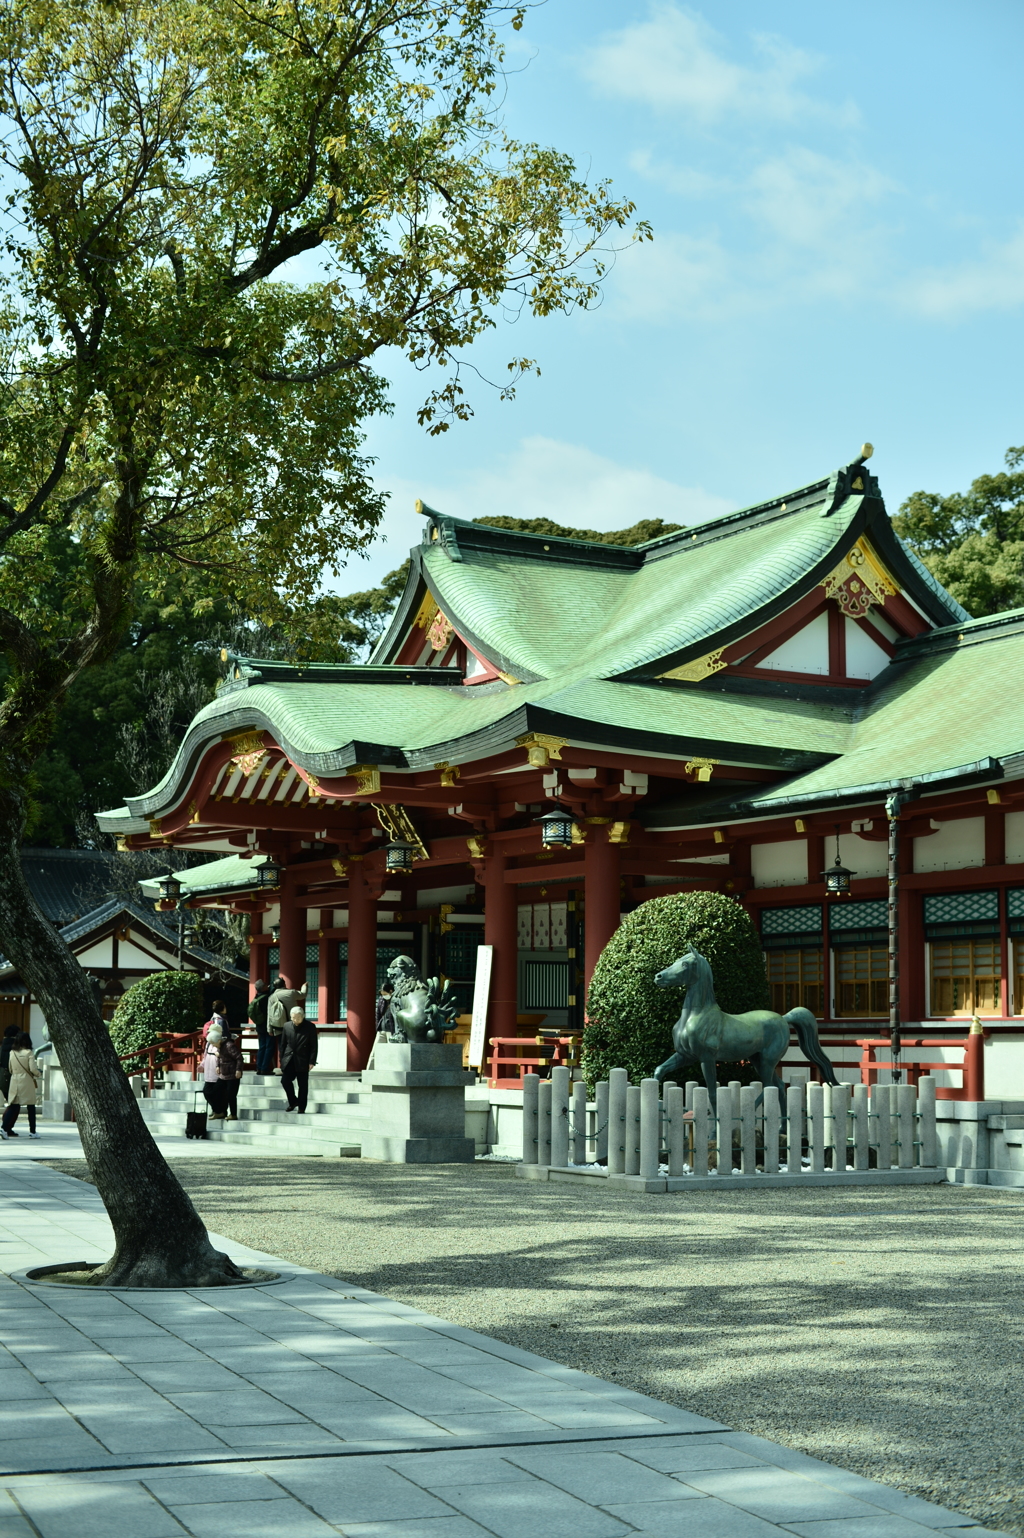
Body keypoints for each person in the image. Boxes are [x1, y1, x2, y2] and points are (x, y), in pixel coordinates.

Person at [1, 1032, 41, 1139]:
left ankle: (4, 1128)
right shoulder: (29, 1053)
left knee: (14, 1105)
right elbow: (32, 1069)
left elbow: (10, 1068)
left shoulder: (12, 1052)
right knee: (31, 1107)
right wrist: (38, 1073)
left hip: (15, 1080)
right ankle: (33, 1131)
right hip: (26, 1081)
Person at [279, 1005, 318, 1114]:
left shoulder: (310, 1027)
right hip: (289, 1058)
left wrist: (312, 1061)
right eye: (293, 1018)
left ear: (303, 1016)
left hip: (303, 1059)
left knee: (303, 1085)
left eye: (297, 1018)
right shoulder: (287, 1026)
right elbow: (282, 1044)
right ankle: (293, 1101)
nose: (295, 1020)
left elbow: (314, 1046)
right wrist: (281, 1059)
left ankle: (302, 1107)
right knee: (285, 1081)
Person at [267, 975, 307, 1073]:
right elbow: (303, 995)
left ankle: (284, 1067)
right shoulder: (291, 993)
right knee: (296, 1045)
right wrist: (304, 986)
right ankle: (295, 1066)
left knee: (282, 1046)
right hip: (293, 1025)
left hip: (279, 1025)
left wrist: (269, 1029)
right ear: (284, 984)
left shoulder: (272, 997)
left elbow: (270, 1015)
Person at [217, 1023, 244, 1122]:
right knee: (219, 1092)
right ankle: (221, 1111)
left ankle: (233, 1114)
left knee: (231, 1095)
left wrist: (238, 1070)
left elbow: (239, 1058)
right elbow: (219, 1058)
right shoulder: (220, 1046)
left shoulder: (229, 1046)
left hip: (232, 1073)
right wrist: (217, 1066)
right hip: (224, 1074)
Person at [202, 1022, 228, 1120]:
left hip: (218, 1073)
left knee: (219, 1093)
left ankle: (220, 1111)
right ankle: (216, 1110)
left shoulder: (222, 1044)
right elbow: (205, 1055)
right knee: (207, 1092)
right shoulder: (209, 1043)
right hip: (209, 1072)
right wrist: (202, 1065)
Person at [249, 978, 275, 1075]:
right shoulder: (267, 998)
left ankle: (259, 1067)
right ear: (263, 988)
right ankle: (264, 1068)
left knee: (262, 1047)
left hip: (259, 1026)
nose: (267, 986)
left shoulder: (256, 998)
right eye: (265, 985)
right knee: (269, 1047)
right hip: (267, 1026)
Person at [0, 1023, 20, 1102]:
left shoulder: (1, 1048)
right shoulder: (19, 1049)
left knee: (10, 1102)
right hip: (16, 1077)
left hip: (2, 1077)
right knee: (15, 1103)